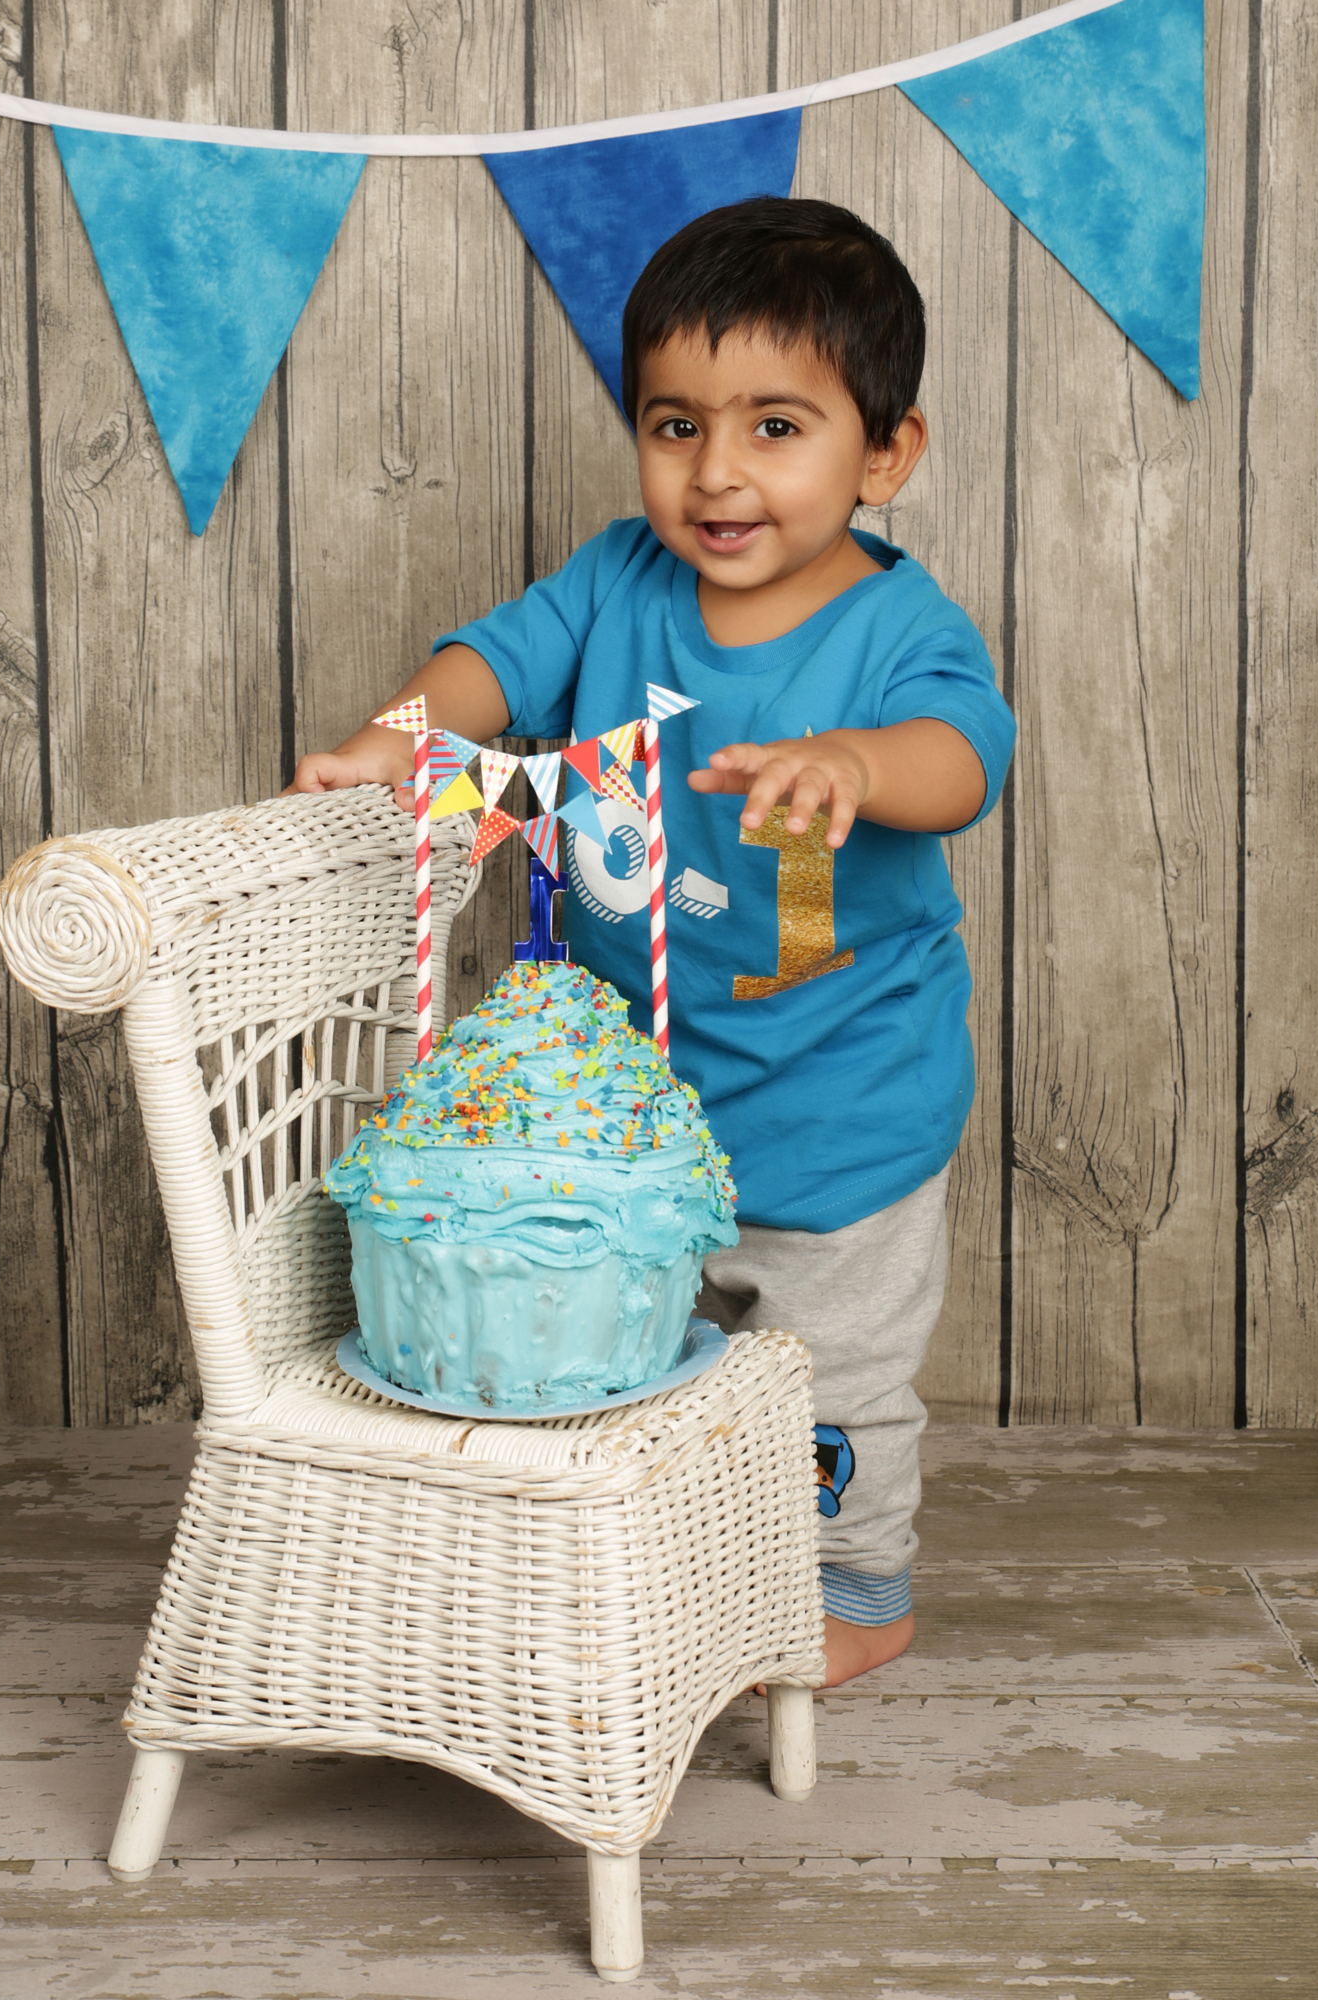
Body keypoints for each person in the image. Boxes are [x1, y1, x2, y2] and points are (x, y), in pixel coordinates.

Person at [289, 196, 1015, 1688]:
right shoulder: (618, 582)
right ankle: (661, 1555)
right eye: (676, 425)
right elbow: (488, 666)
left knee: (829, 1378)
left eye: (776, 427)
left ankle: (858, 1595)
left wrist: (867, 769)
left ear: (887, 454)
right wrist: (393, 742)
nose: (718, 471)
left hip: (843, 1105)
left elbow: (967, 754)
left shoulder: (898, 633)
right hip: (628, 1117)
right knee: (632, 1361)